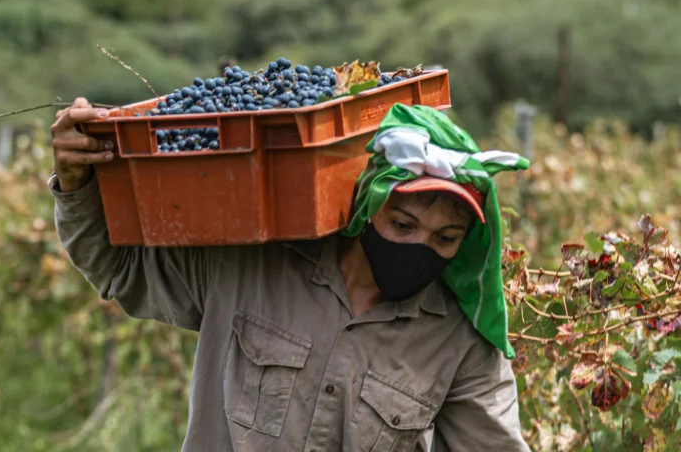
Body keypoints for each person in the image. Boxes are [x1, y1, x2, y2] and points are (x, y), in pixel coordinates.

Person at [48, 98, 532, 451]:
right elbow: (119, 267)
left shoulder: (459, 343)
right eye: (403, 225)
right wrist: (77, 184)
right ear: (368, 207)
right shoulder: (253, 265)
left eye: (444, 239)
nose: (419, 248)